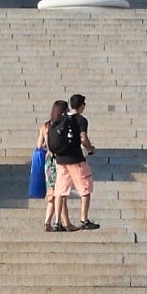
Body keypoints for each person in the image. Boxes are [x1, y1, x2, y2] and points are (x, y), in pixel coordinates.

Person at [51, 92, 97, 230]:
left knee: (60, 191)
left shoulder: (61, 118)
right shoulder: (81, 120)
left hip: (60, 159)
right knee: (85, 188)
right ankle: (84, 220)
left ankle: (57, 222)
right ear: (82, 106)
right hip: (75, 159)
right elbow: (83, 138)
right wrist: (90, 148)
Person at [35, 98, 67, 233]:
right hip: (60, 160)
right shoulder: (62, 127)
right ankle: (50, 221)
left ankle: (61, 222)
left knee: (53, 193)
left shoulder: (45, 127)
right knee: (58, 193)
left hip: (48, 161)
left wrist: (46, 144)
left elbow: (39, 146)